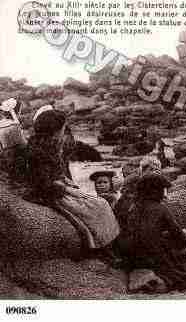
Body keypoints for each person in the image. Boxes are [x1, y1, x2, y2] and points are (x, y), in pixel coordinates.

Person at [26, 109, 120, 260]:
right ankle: (100, 246)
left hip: (60, 186)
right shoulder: (39, 152)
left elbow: (57, 172)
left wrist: (68, 182)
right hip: (51, 194)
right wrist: (68, 189)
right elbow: (45, 182)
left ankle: (106, 244)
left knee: (99, 203)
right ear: (55, 130)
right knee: (97, 207)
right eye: (63, 128)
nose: (64, 131)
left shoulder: (50, 145)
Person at [120, 172, 186, 292]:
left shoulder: (134, 207)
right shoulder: (161, 209)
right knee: (184, 236)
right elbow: (177, 234)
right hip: (153, 256)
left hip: (133, 255)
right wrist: (183, 235)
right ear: (157, 191)